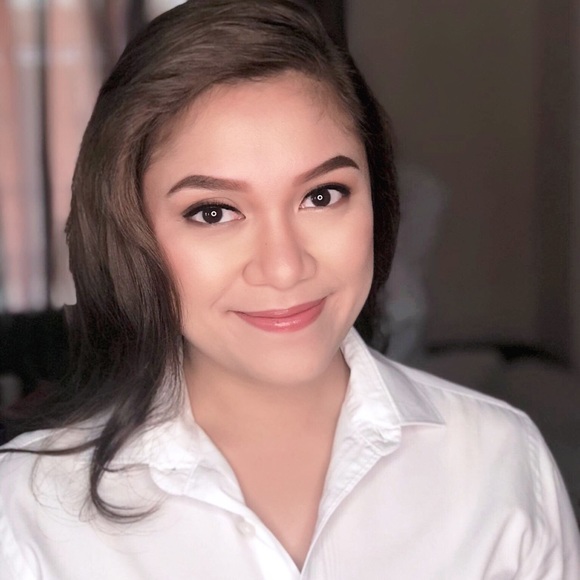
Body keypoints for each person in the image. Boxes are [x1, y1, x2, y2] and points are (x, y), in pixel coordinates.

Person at [0, 1, 578, 578]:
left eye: (321, 196)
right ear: (133, 233)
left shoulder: (500, 461)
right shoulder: (26, 514)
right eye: (213, 212)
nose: (283, 267)